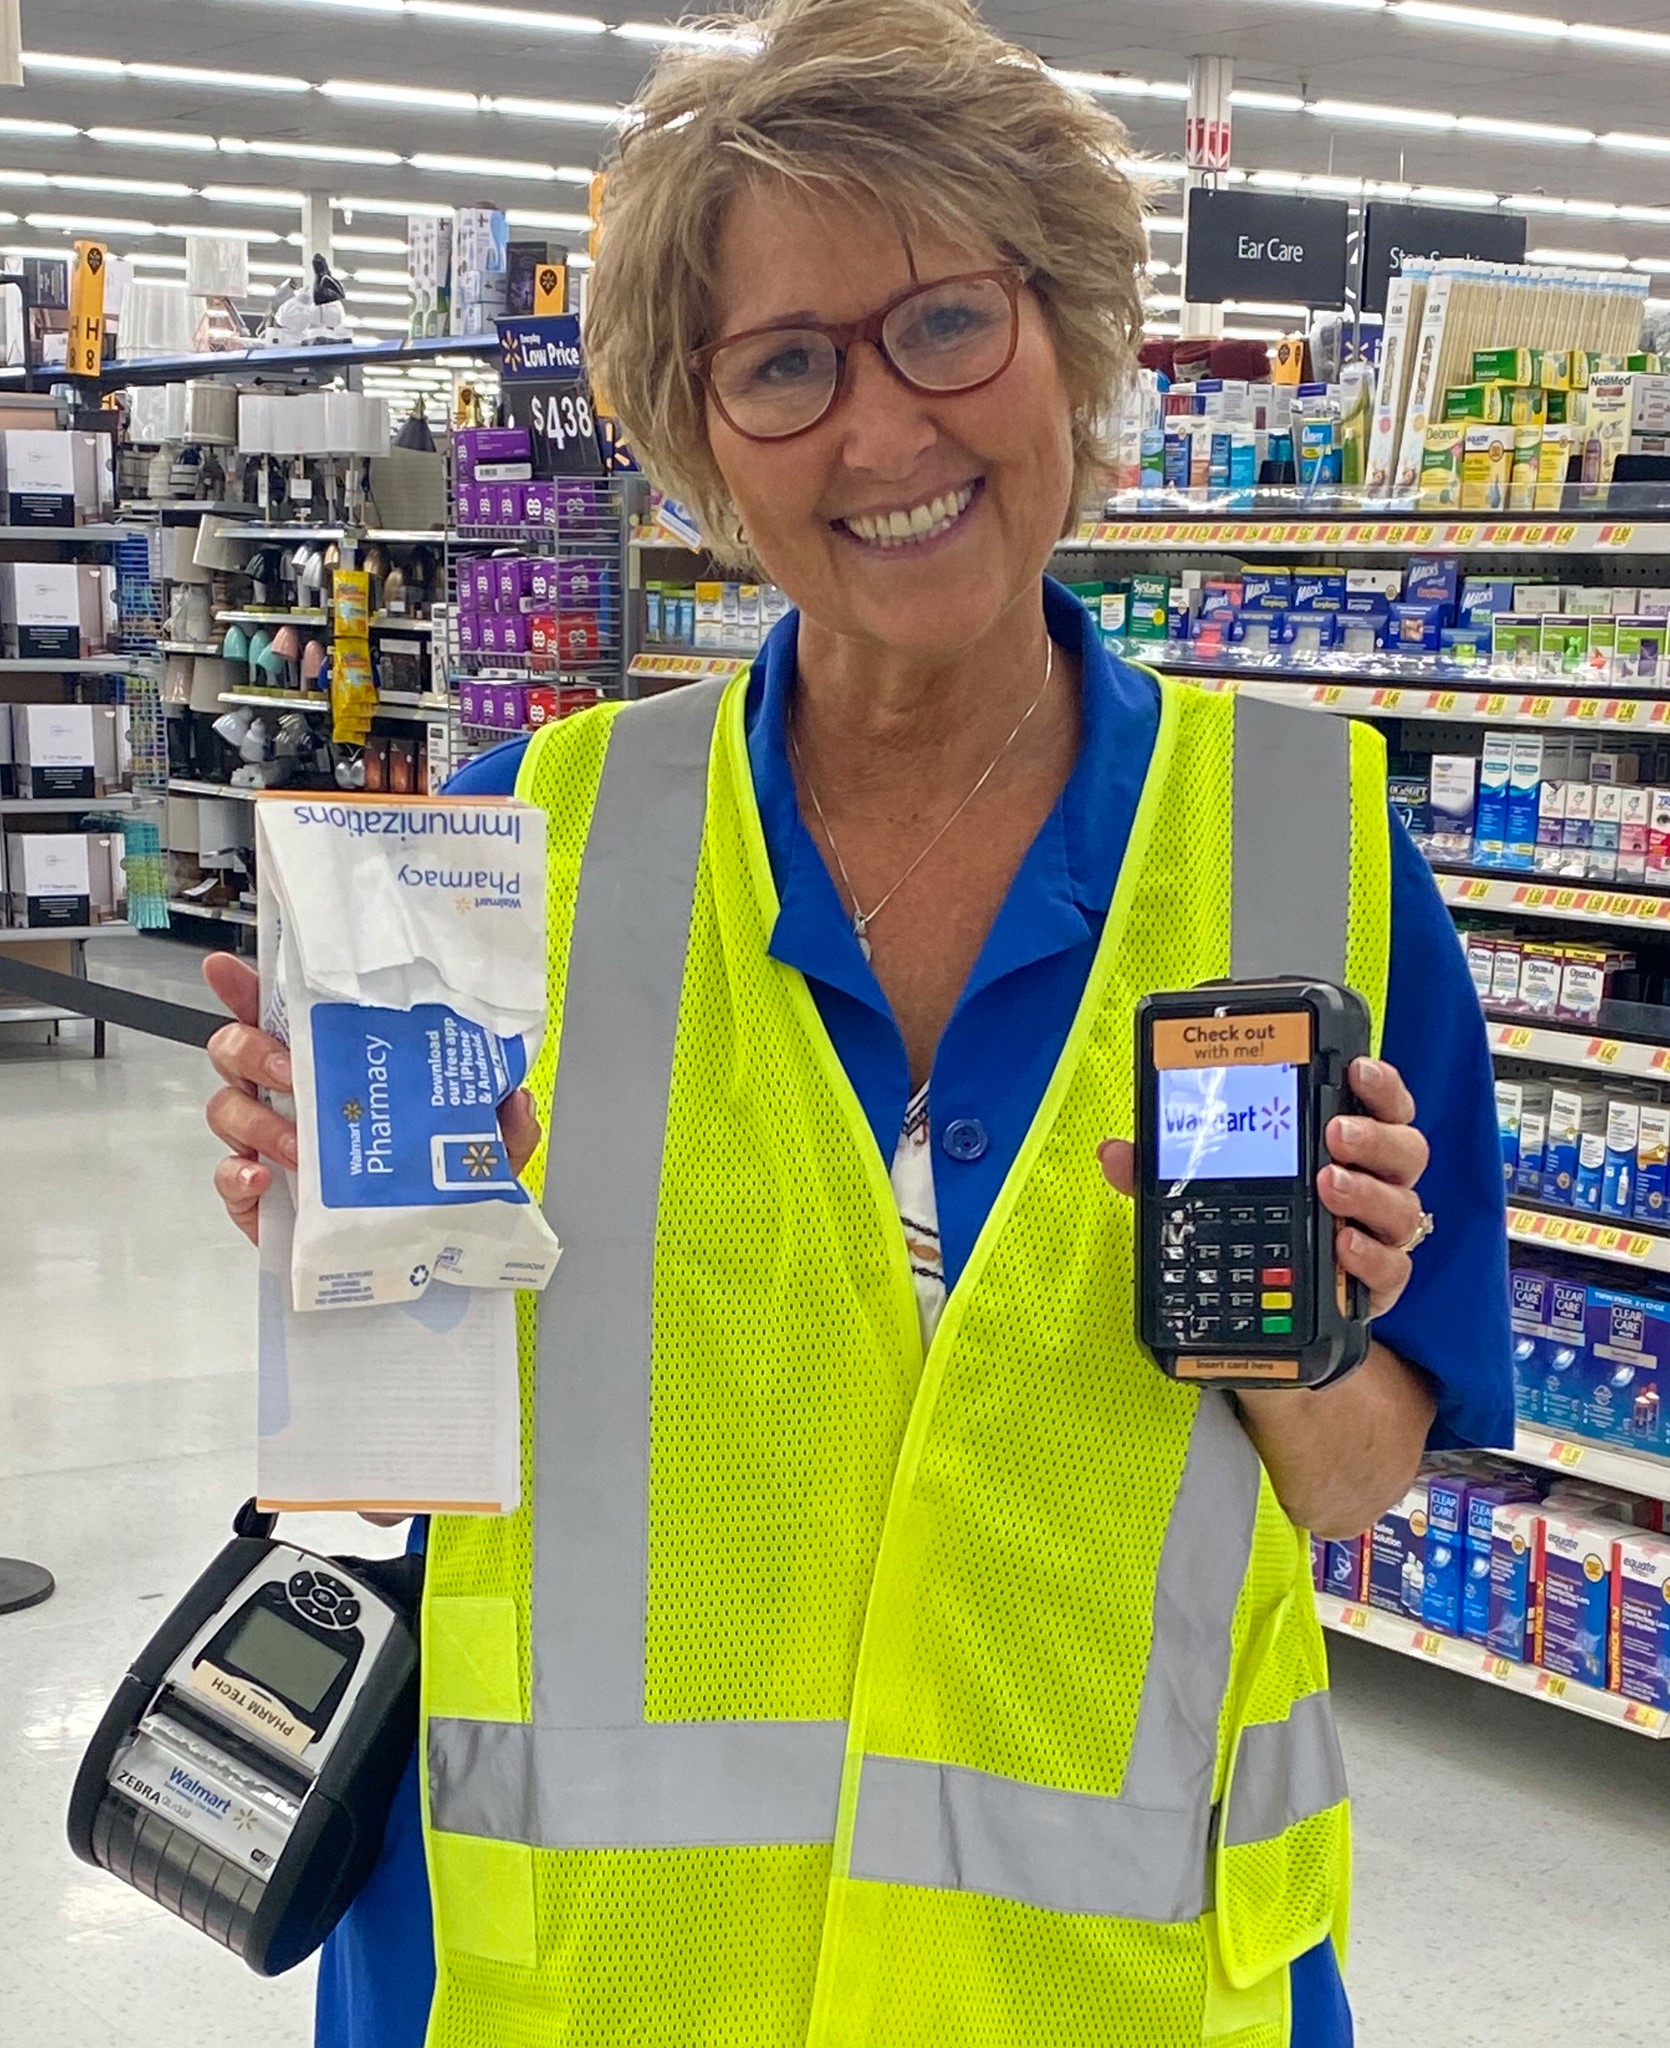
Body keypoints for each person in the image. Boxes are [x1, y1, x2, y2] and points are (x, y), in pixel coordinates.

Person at [203, 0, 1512, 2040]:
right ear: (700, 433)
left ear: (1070, 341)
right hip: (601, 1982)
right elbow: (390, 1437)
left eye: (947, 324)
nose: (884, 435)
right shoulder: (518, 847)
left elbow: (1349, 1490)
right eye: (785, 364)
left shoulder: (1305, 848)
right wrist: (339, 1228)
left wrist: (1286, 1323)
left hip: (1082, 1989)